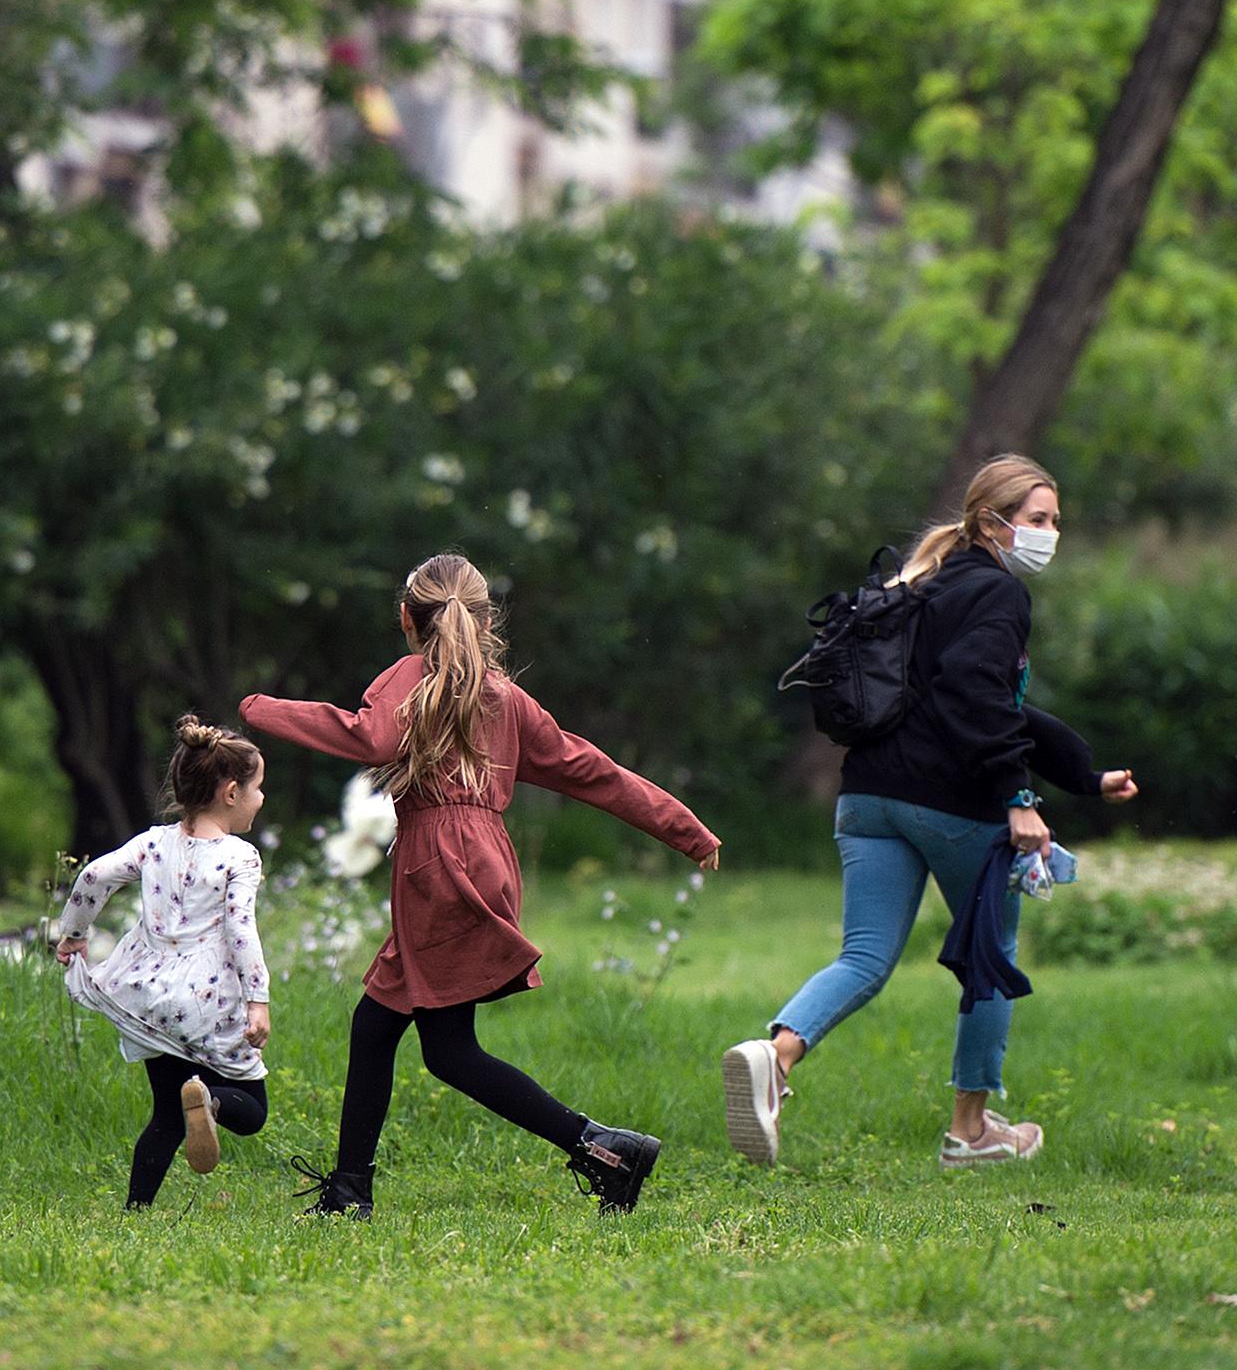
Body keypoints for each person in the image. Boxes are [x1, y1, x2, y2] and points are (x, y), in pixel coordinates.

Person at [243, 551, 721, 1218]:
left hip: (438, 868)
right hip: (478, 861)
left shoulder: (409, 678)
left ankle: (604, 1148)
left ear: (407, 618)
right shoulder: (505, 697)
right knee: (382, 1029)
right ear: (483, 618)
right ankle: (351, 1188)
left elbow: (370, 737)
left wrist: (260, 709)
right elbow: (594, 771)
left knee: (448, 1051)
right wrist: (686, 829)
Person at [722, 454, 1139, 1173]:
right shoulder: (997, 596)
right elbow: (977, 698)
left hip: (867, 798)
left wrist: (1084, 775)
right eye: (1037, 520)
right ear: (991, 522)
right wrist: (1019, 799)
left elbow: (988, 703)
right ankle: (970, 1134)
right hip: (950, 804)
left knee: (863, 957)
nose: (1049, 534)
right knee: (989, 963)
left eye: (1054, 521)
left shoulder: (921, 586)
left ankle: (775, 1055)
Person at [52, 715, 276, 1209]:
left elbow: (94, 876)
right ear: (233, 793)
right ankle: (213, 1104)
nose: (263, 799)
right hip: (206, 1000)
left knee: (168, 1114)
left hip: (148, 998)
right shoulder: (240, 857)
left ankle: (136, 1209)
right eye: (259, 788)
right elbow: (241, 931)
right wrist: (257, 1000)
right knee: (253, 1109)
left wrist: (73, 934)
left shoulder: (152, 842)